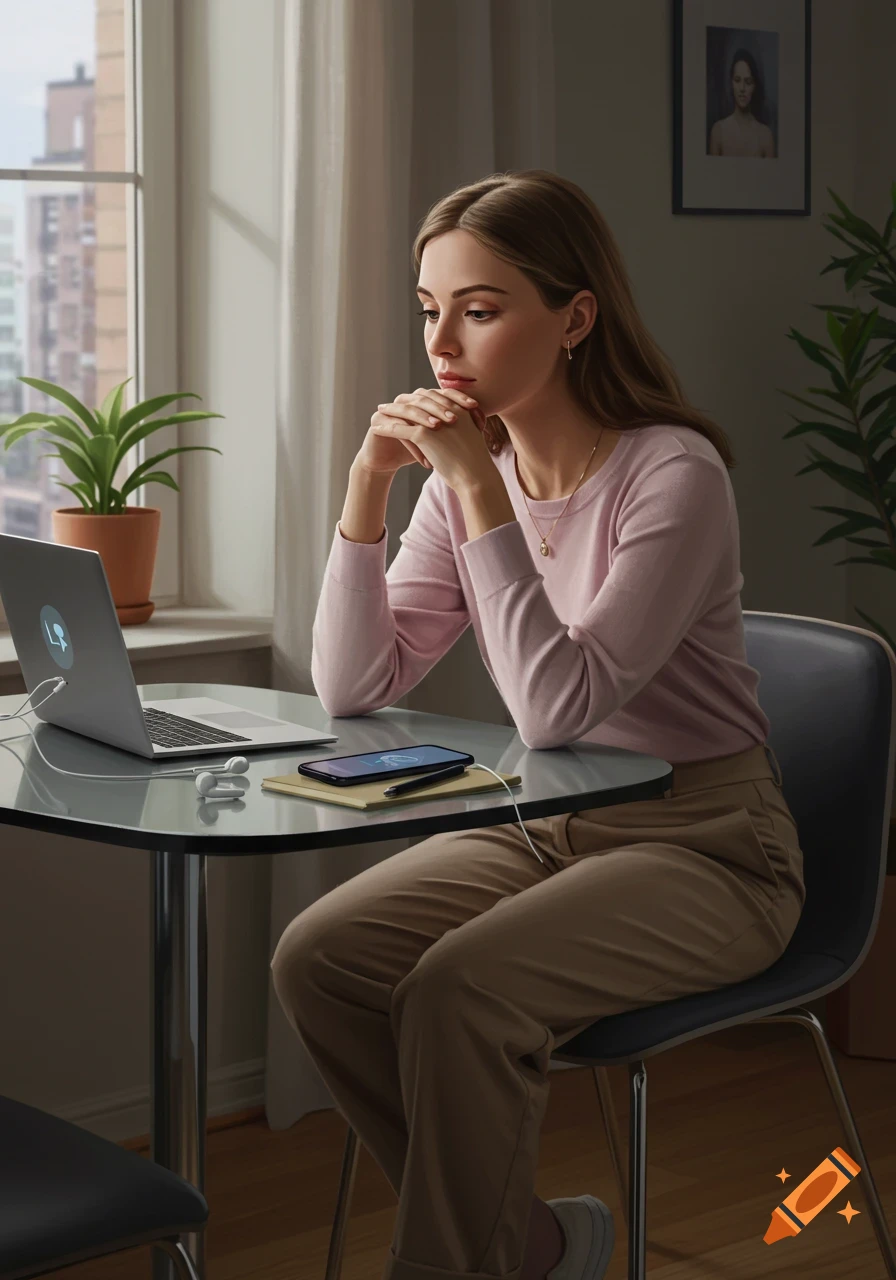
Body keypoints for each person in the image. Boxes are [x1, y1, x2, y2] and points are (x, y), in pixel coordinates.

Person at [270, 169, 805, 1280]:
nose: (441, 342)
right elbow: (353, 683)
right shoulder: (476, 473)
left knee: (459, 990)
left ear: (572, 316)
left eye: (479, 306)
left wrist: (477, 495)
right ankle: (528, 1245)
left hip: (711, 846)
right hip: (552, 823)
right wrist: (369, 489)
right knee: (320, 958)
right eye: (429, 308)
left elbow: (556, 704)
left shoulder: (672, 473)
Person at [709, 47, 776, 158]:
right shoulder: (718, 131)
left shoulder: (765, 136)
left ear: (754, 86)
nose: (742, 88)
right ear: (731, 83)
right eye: (737, 80)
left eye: (748, 82)